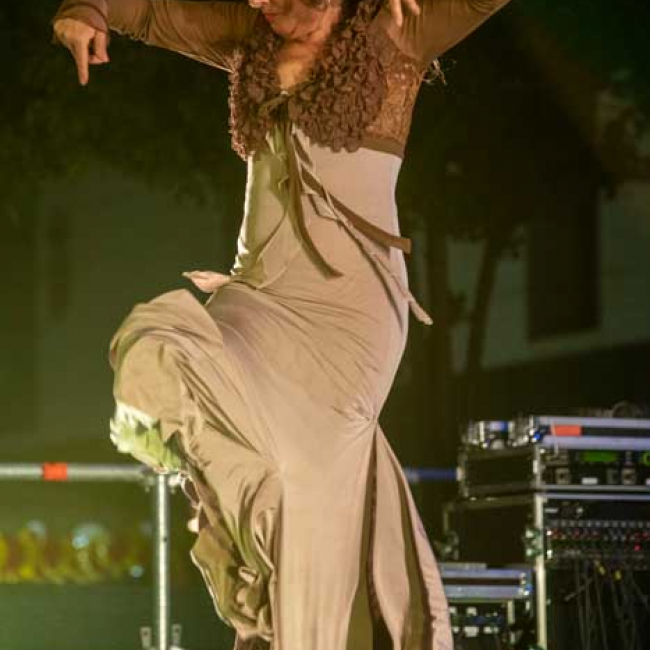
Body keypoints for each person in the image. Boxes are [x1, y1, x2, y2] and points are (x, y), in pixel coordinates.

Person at [52, 1, 513, 648]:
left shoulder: (399, 27)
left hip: (348, 316)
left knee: (304, 500)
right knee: (160, 348)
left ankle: (295, 626)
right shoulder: (251, 37)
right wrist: (87, 9)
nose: (257, 4)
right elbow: (151, 12)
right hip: (257, 299)